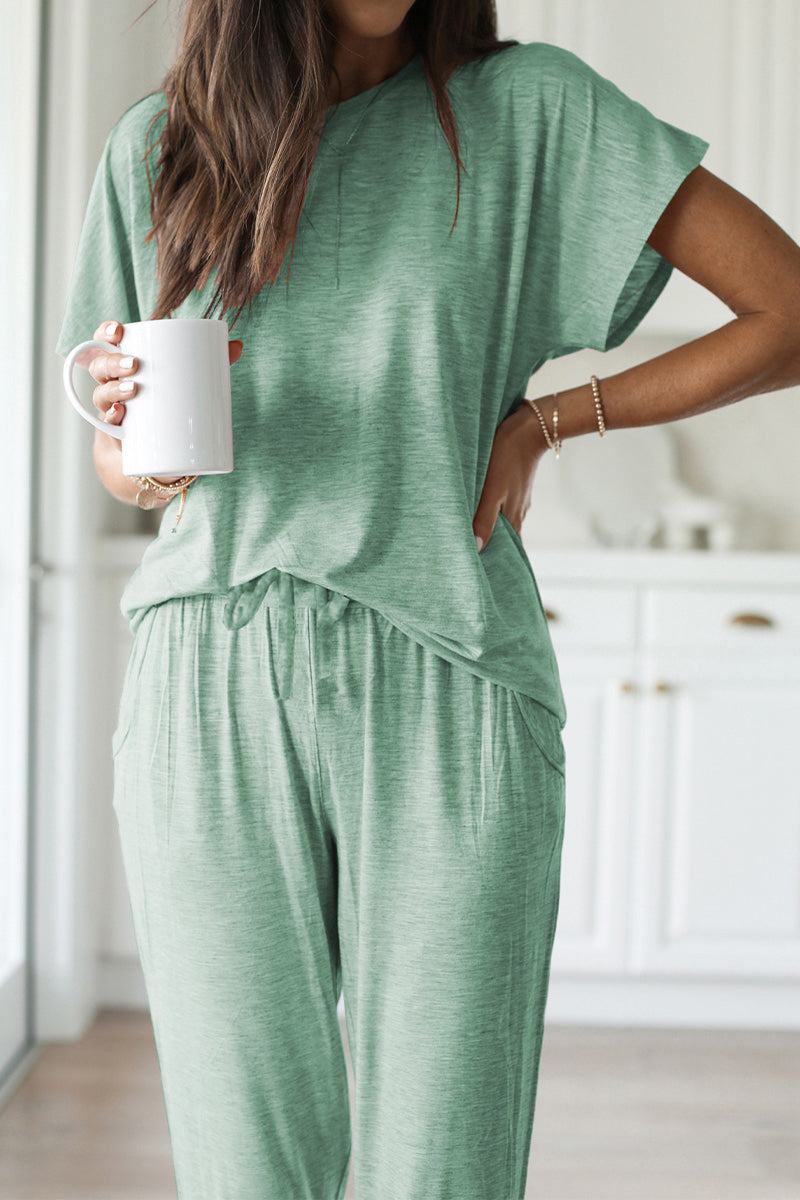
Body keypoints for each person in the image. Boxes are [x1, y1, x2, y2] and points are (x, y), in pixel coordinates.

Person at [54, 2, 800, 1197]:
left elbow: (786, 308)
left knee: (441, 1173)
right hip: (210, 680)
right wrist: (148, 462)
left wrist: (556, 418)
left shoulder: (527, 112)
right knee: (245, 1174)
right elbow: (117, 449)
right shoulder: (159, 148)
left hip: (448, 670)